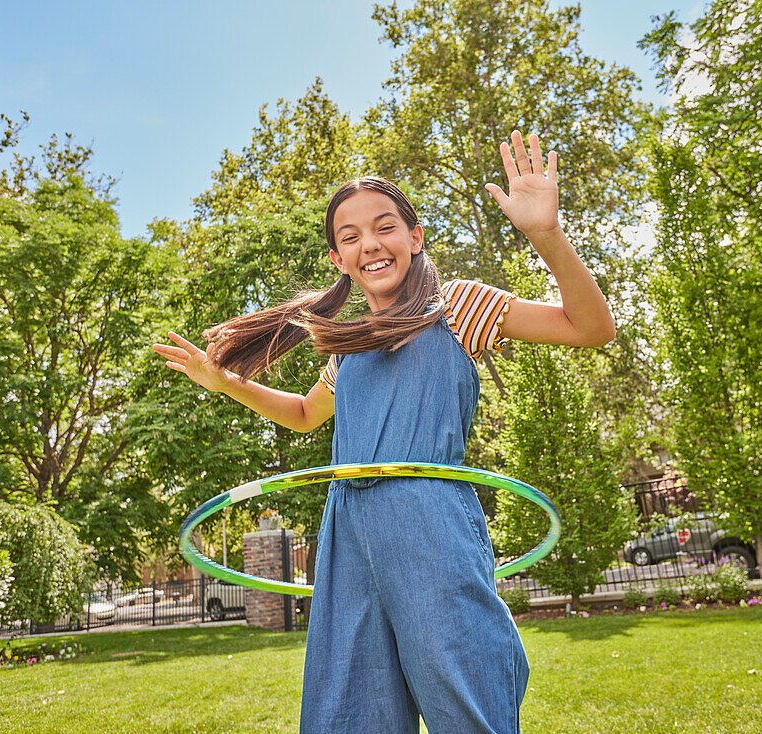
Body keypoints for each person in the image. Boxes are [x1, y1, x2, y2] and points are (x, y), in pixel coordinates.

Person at [153, 131, 615, 733]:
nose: (370, 244)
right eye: (350, 237)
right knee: (350, 707)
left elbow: (590, 328)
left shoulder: (457, 307)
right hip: (347, 530)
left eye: (385, 226)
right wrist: (227, 383)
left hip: (430, 523)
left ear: (415, 237)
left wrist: (546, 235)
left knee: (464, 694)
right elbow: (301, 414)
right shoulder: (348, 347)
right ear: (338, 260)